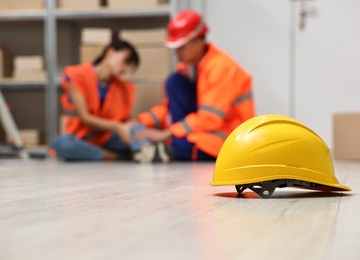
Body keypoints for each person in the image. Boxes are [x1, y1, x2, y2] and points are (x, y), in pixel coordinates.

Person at [132, 10, 255, 163]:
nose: (176, 52)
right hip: (201, 129)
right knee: (174, 81)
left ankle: (170, 147)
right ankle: (170, 147)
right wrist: (142, 121)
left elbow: (210, 119)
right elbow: (169, 109)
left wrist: (168, 134)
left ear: (199, 41)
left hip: (226, 136)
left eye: (181, 47)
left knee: (185, 146)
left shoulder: (222, 69)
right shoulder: (187, 69)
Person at [51, 39, 140, 161]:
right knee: (61, 143)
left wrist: (129, 126)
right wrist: (118, 126)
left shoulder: (125, 89)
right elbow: (85, 118)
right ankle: (114, 157)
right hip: (82, 138)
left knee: (138, 132)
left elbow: (124, 122)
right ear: (110, 52)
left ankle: (143, 152)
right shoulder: (77, 75)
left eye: (130, 66)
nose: (125, 69)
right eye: (125, 61)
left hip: (109, 138)